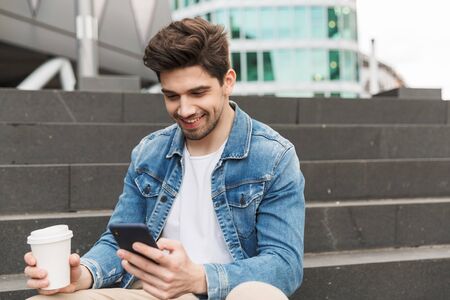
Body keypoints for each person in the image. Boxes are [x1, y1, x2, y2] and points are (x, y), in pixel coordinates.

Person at [24, 17, 305, 300]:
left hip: (230, 292)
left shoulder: (273, 157)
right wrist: (82, 274)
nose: (185, 110)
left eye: (198, 92)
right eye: (172, 96)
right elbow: (120, 243)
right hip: (158, 295)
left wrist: (198, 277)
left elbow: (285, 265)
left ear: (227, 82)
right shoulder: (150, 153)